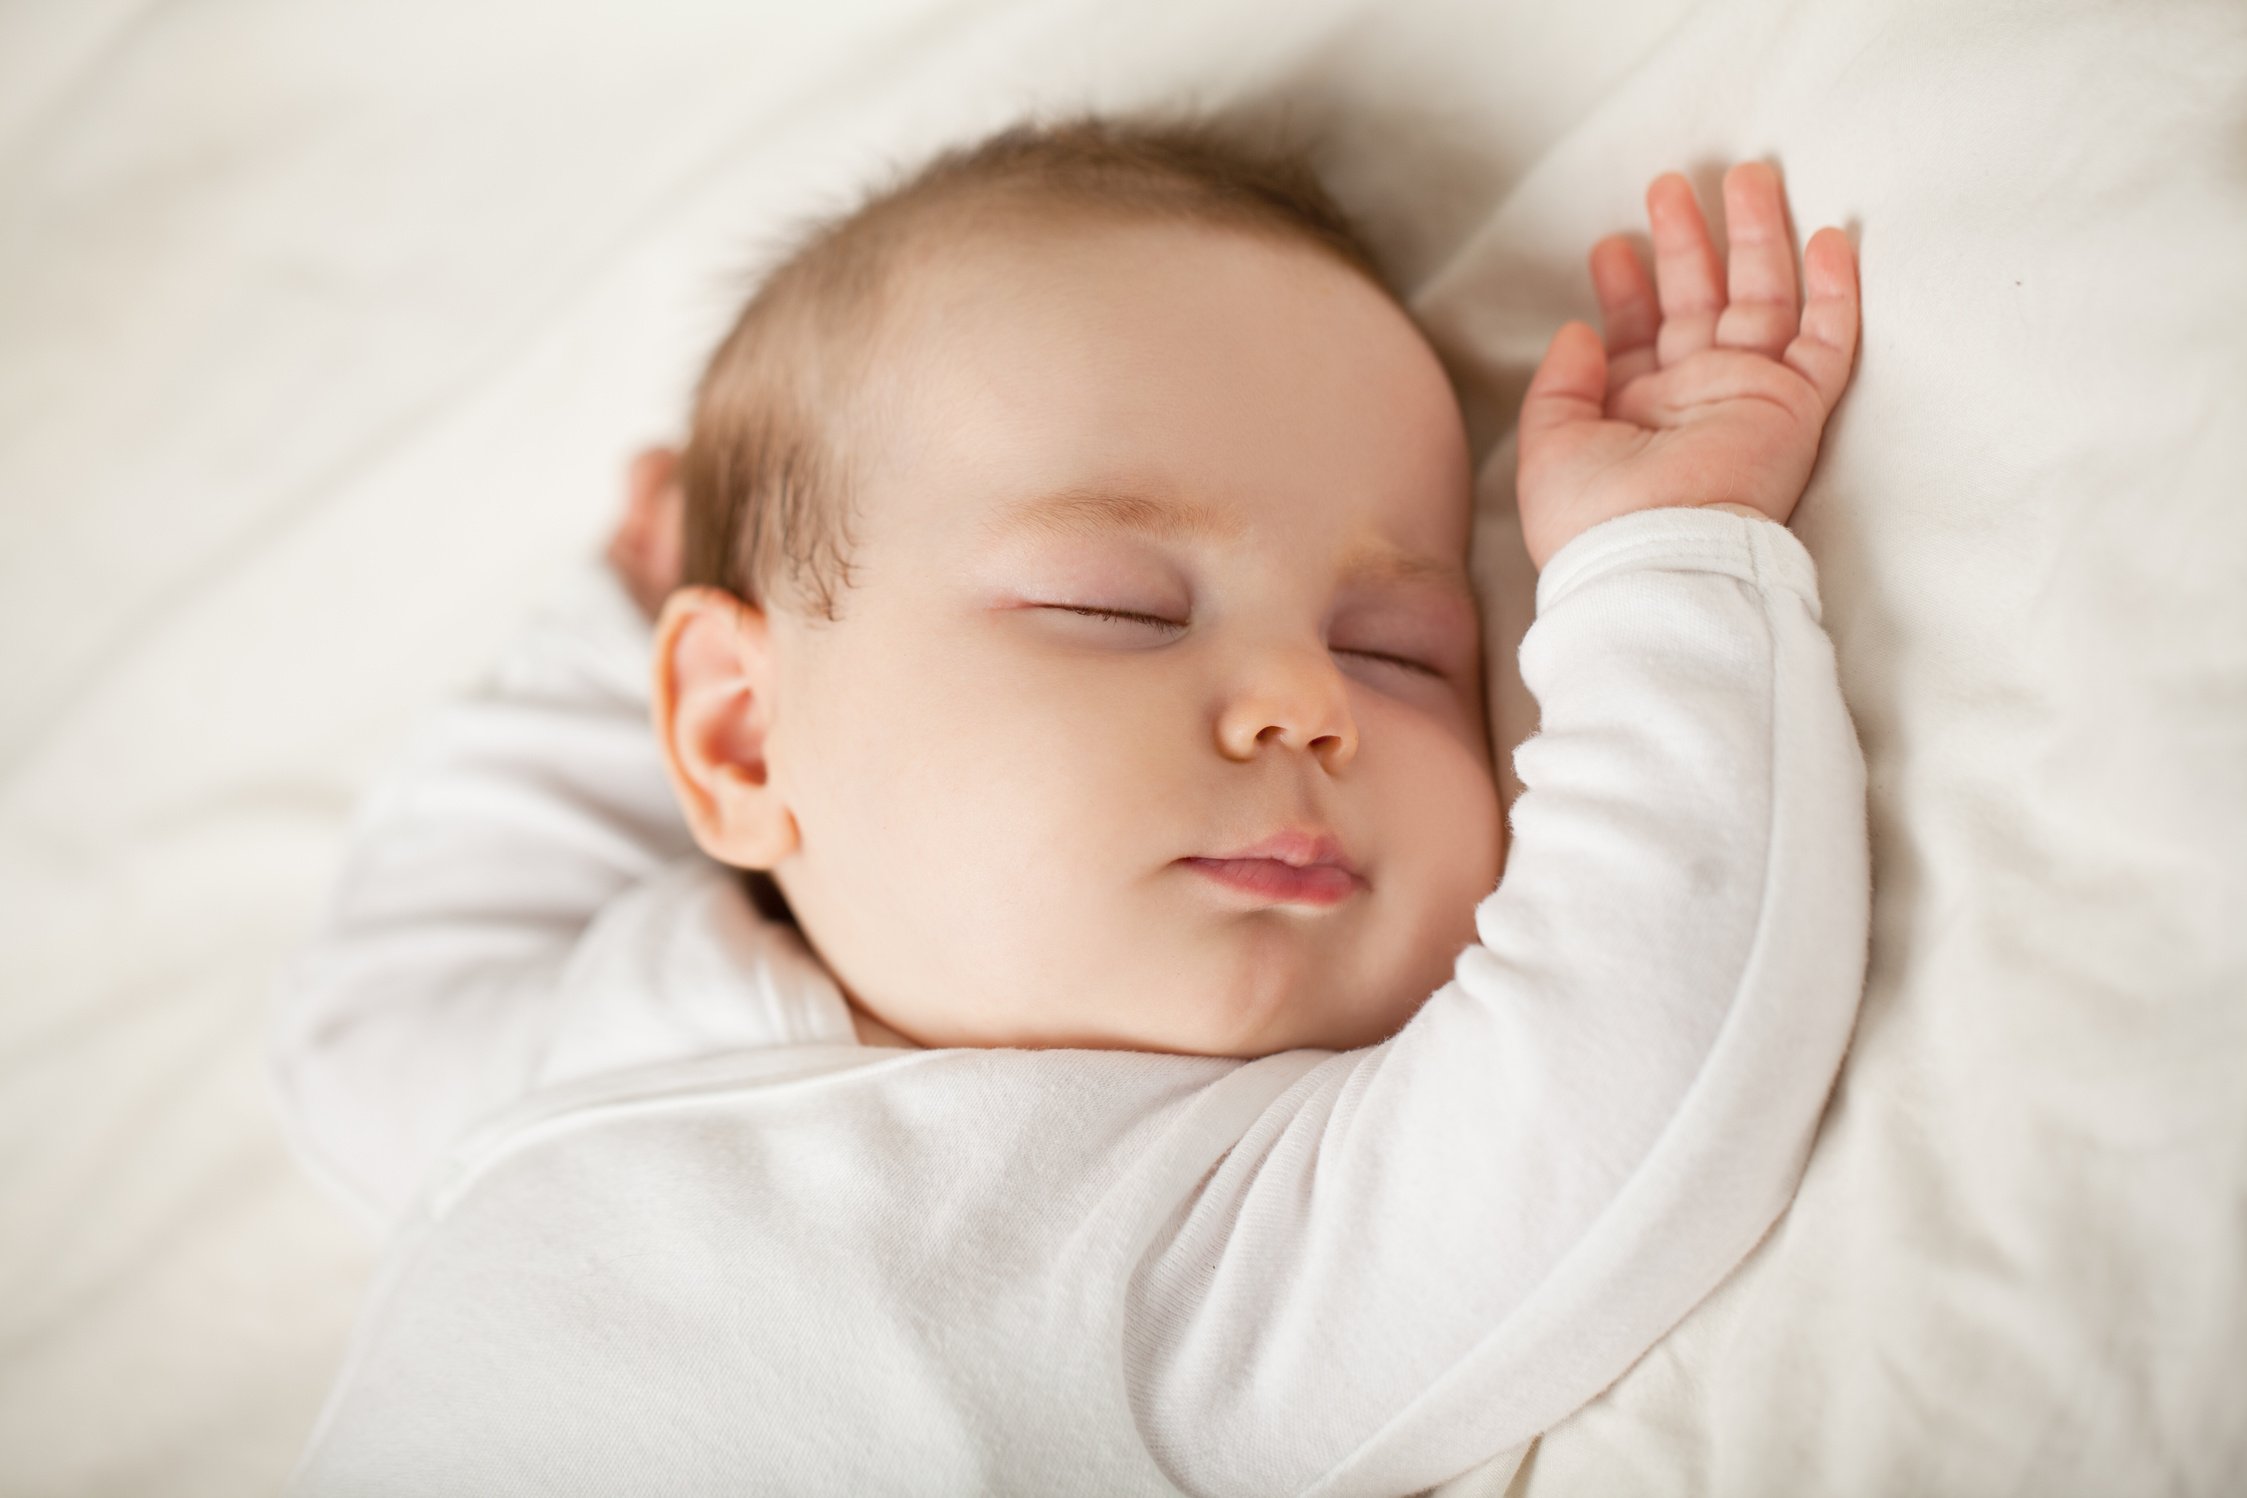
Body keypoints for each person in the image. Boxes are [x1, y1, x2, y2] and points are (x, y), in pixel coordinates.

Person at [270, 114, 1867, 1496]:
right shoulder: (614, 1013)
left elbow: (1625, 1072)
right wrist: (619, 624)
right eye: (1121, 608)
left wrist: (1660, 571)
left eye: (1399, 651)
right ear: (744, 739)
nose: (1304, 701)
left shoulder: (1222, 1222)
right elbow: (372, 1016)